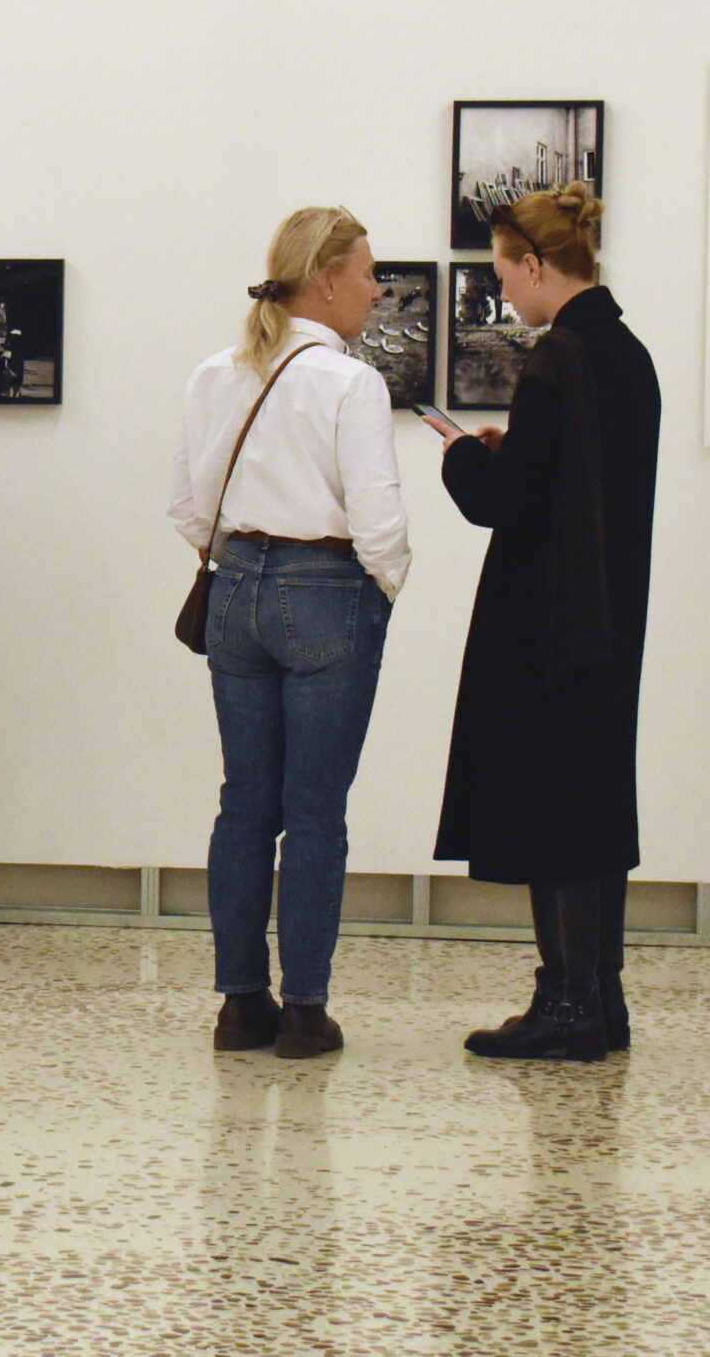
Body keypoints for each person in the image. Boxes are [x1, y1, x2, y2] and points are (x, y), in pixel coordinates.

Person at [164, 207, 409, 1060]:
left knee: (244, 802)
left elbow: (187, 507)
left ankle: (240, 1005)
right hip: (326, 590)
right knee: (313, 810)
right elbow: (380, 525)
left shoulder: (215, 374)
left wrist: (242, 559)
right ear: (327, 280)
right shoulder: (351, 384)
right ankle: (304, 1011)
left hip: (234, 588)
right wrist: (382, 588)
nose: (377, 291)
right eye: (368, 273)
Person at [436, 184, 660, 1063]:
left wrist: (463, 457)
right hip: (613, 614)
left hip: (551, 620)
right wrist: (517, 453)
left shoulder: (556, 359)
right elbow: (579, 481)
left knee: (555, 804)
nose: (502, 291)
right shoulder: (628, 354)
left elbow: (507, 503)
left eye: (503, 273)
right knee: (595, 799)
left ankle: (566, 1003)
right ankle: (602, 995)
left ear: (534, 264)